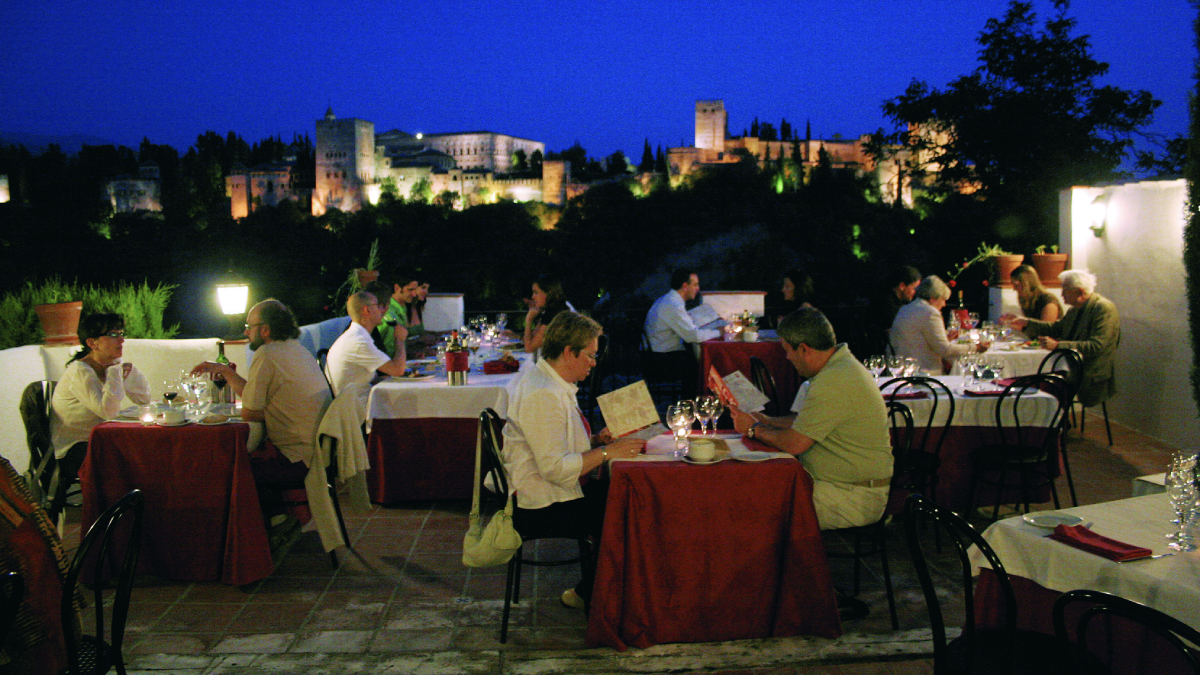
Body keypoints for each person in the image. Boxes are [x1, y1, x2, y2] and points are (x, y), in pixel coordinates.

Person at [502, 311, 646, 609]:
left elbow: (553, 442)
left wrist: (594, 442)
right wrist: (607, 453)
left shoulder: (548, 381)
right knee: (631, 510)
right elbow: (554, 469)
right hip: (541, 504)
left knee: (629, 498)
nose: (594, 363)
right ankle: (595, 594)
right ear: (569, 353)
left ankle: (604, 589)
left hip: (549, 492)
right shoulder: (543, 393)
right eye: (590, 355)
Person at [728, 308, 892, 529]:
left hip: (851, 496)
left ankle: (776, 563)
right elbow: (807, 423)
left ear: (804, 349)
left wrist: (753, 429)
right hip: (841, 486)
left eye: (787, 350)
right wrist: (767, 421)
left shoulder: (833, 380)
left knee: (748, 507)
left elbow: (794, 443)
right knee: (755, 486)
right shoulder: (840, 367)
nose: (786, 357)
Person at [192, 299, 331, 483]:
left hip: (292, 459)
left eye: (249, 326)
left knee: (221, 468)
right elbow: (254, 399)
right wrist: (226, 371)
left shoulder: (267, 353)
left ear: (265, 330)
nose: (245, 332)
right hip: (317, 454)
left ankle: (244, 512)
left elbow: (249, 412)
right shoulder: (297, 349)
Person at [48, 313, 152, 522]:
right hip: (75, 448)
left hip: (101, 440)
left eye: (122, 334)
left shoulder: (109, 366)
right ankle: (123, 521)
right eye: (113, 334)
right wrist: (115, 371)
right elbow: (109, 411)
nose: (121, 340)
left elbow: (144, 398)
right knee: (140, 458)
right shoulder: (80, 370)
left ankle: (140, 518)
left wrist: (129, 374)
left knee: (148, 450)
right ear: (91, 343)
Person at [1003, 269, 1120, 407]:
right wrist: (1027, 323)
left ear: (1080, 292)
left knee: (1042, 379)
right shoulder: (1075, 308)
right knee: (1031, 376)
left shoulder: (1103, 309)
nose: (1062, 294)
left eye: (1065, 290)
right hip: (1070, 363)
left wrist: (1058, 345)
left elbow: (1096, 346)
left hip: (1090, 371)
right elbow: (1056, 328)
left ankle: (1050, 419)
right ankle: (1044, 419)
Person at [643, 268, 721, 398]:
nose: (698, 288)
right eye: (695, 284)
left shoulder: (668, 300)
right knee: (701, 368)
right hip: (662, 360)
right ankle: (692, 408)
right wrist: (718, 331)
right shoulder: (673, 304)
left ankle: (692, 407)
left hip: (656, 355)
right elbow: (693, 336)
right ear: (685, 286)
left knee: (695, 360)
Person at [890, 275, 984, 374]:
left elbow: (918, 340)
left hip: (900, 369)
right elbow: (945, 350)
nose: (944, 304)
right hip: (923, 372)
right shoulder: (930, 313)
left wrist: (945, 339)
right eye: (943, 299)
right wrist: (975, 347)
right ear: (932, 298)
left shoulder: (906, 308)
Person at [325, 290, 409, 396]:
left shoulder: (357, 336)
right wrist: (399, 339)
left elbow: (373, 378)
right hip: (355, 406)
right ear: (367, 310)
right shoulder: (358, 342)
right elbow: (398, 370)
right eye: (378, 306)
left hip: (359, 398)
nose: (382, 311)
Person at [523, 273, 571, 355]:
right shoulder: (552, 310)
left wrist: (528, 320)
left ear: (549, 293)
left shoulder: (554, 315)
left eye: (536, 292)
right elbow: (533, 337)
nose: (533, 297)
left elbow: (529, 348)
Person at [378, 271, 420, 357]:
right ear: (397, 288)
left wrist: (412, 354)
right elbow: (388, 349)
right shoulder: (389, 312)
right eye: (410, 290)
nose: (414, 294)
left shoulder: (400, 308)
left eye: (415, 290)